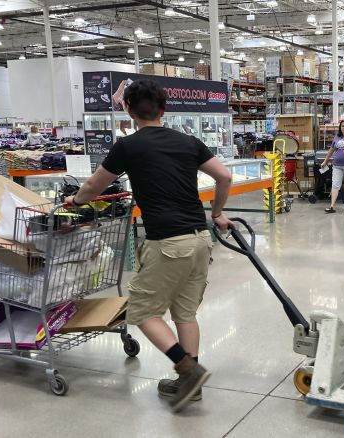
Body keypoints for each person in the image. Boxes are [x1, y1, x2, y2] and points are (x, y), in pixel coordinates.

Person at [64, 79, 234, 412]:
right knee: (185, 312)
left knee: (141, 311)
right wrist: (217, 213)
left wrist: (75, 200)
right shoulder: (188, 141)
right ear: (164, 109)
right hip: (200, 239)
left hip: (167, 242)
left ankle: (188, 369)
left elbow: (92, 187)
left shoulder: (128, 146)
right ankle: (190, 384)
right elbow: (224, 176)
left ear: (127, 109)